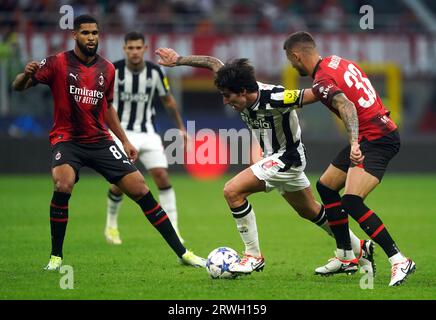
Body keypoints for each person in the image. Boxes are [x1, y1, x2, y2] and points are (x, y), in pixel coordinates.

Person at [155, 47, 374, 275]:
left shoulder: (277, 97)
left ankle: (253, 256)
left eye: (228, 96)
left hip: (287, 159)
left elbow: (321, 94)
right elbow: (212, 61)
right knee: (310, 210)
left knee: (232, 191)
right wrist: (178, 60)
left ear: (242, 91)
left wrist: (342, 96)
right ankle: (359, 247)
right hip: (275, 158)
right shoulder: (234, 85)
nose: (226, 101)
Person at [11, 15, 205, 271]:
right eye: (85, 33)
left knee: (140, 190)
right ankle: (56, 257)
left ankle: (183, 253)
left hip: (100, 140)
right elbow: (18, 87)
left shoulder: (107, 69)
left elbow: (108, 107)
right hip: (67, 139)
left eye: (95, 33)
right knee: (63, 183)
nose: (91, 37)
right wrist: (26, 75)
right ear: (75, 36)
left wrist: (123, 140)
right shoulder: (57, 63)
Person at [283, 31, 415, 286]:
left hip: (376, 138)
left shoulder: (322, 80)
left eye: (290, 60)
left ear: (296, 56)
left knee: (352, 202)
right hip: (374, 131)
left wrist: (354, 142)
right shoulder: (337, 62)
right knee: (326, 186)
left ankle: (399, 259)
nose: (291, 65)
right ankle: (346, 256)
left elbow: (347, 106)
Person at [104, 31, 186, 245]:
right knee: (121, 183)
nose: (134, 51)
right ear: (124, 49)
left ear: (145, 48)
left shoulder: (156, 72)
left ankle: (175, 229)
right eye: (130, 47)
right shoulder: (113, 70)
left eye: (138, 47)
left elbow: (168, 101)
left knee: (162, 176)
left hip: (148, 132)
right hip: (121, 133)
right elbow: (104, 103)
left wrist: (181, 128)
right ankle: (111, 225)